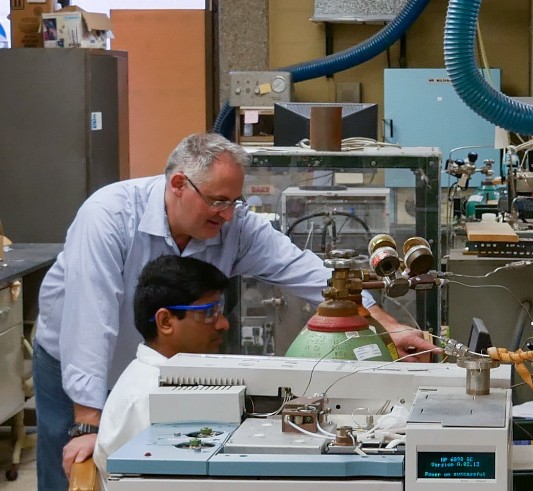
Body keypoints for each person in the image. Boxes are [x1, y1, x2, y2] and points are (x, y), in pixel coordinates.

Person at [34, 133, 439, 490]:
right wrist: (87, 424)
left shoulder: (234, 226)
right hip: (73, 365)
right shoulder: (109, 217)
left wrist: (388, 327)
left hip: (161, 366)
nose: (227, 214)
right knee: (75, 468)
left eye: (234, 201)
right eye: (218, 201)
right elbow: (90, 322)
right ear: (178, 184)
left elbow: (311, 274)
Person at [90, 255, 230, 474]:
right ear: (165, 322)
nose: (223, 324)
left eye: (221, 310)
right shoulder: (151, 399)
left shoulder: (166, 379)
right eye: (209, 312)